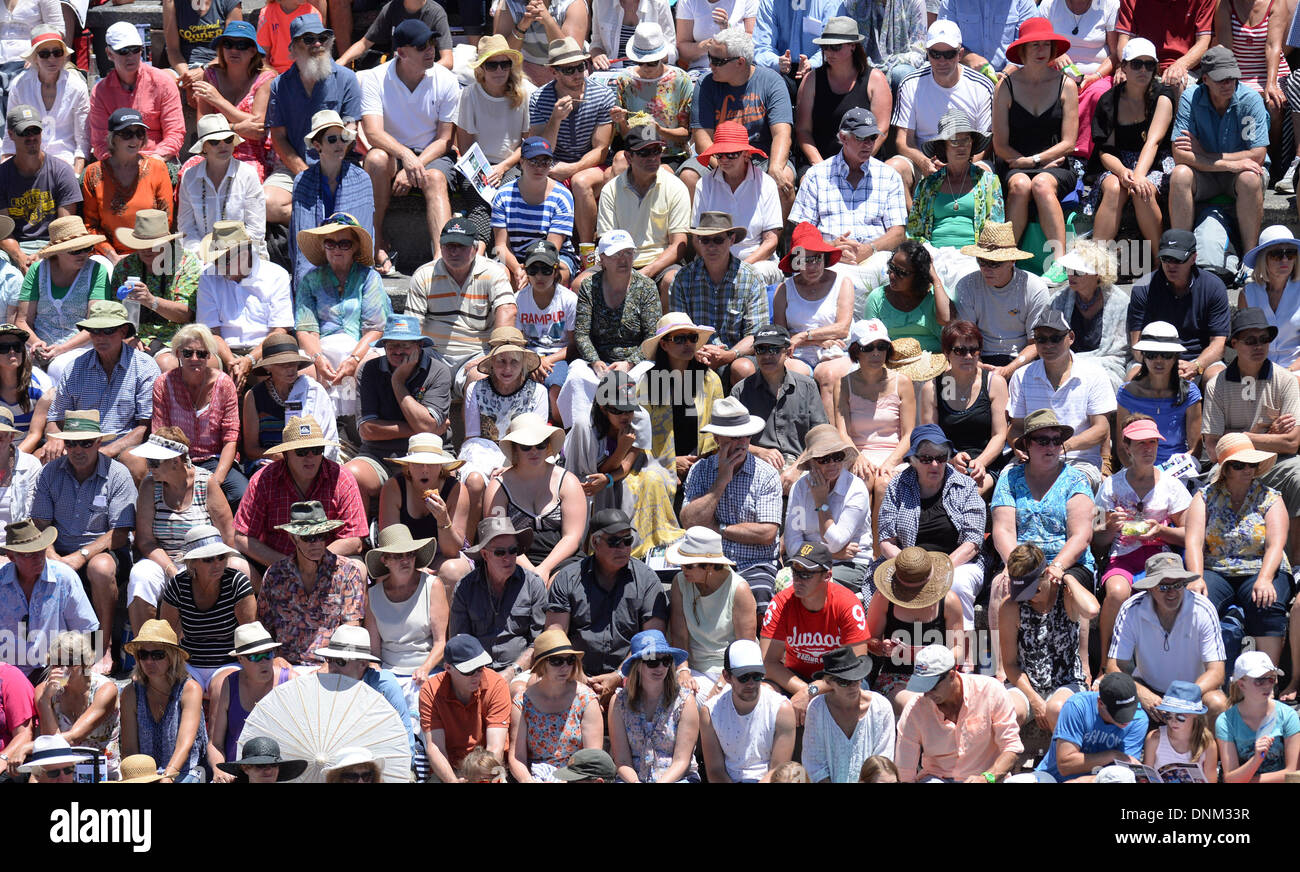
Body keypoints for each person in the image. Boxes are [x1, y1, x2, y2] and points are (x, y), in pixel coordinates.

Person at [989, 409, 1097, 676]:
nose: (1051, 446)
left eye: (1055, 440)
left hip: (1068, 560)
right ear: (1027, 445)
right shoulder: (1010, 477)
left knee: (1070, 587)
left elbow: (1081, 535)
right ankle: (1002, 667)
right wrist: (1013, 564)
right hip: (1024, 558)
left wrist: (1058, 566)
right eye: (1042, 440)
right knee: (1000, 585)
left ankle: (1081, 664)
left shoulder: (1075, 479)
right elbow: (1002, 528)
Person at [31, 411, 134, 672]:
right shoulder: (49, 473)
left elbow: (120, 532)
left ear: (99, 442)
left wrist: (82, 555)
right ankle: (36, 649)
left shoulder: (117, 474)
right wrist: (54, 557)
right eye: (71, 443)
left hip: (104, 550)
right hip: (58, 548)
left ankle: (104, 648)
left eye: (86, 442)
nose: (78, 449)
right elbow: (40, 523)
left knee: (100, 568)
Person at [360, 20, 460, 271]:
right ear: (401, 53)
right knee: (376, 160)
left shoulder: (446, 79)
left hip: (431, 153)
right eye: (422, 46)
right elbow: (373, 132)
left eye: (432, 44)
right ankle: (376, 241)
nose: (431, 51)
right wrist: (405, 156)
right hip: (394, 152)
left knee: (435, 178)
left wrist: (415, 164)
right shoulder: (375, 78)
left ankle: (441, 259)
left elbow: (446, 139)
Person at [1184, 432, 1291, 666]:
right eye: (1239, 464)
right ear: (1226, 469)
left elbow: (1276, 543)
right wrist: (1196, 577)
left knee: (1267, 602)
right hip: (1217, 567)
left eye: (1252, 463)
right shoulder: (1205, 497)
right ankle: (1205, 674)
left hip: (1261, 566)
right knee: (1197, 603)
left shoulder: (1271, 498)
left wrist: (1264, 578)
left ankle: (1267, 676)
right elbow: (1193, 541)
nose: (1247, 469)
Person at [1201, 308, 1300, 557]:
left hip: (1277, 463)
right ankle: (1217, 556)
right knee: (1212, 479)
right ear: (1234, 343)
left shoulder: (1286, 380)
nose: (1259, 346)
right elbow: (1213, 449)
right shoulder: (1217, 385)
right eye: (1251, 340)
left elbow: (1291, 442)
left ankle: (1297, 562)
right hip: (1231, 464)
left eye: (1264, 339)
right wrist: (1265, 433)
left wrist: (1241, 437)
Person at [546, 508, 669, 697]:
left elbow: (652, 639)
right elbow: (555, 635)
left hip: (632, 674)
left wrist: (619, 675)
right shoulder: (568, 578)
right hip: (574, 673)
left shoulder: (647, 580)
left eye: (627, 541)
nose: (623, 548)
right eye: (614, 541)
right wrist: (576, 674)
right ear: (595, 542)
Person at [1095, 416, 1192, 655]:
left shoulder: (1172, 486)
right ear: (1126, 448)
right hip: (1123, 556)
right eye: (1141, 443)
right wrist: (1108, 527)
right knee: (1117, 593)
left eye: (1152, 442)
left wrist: (1162, 531)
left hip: (1162, 558)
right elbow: (1095, 539)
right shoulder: (1109, 486)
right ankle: (1107, 661)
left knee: (1166, 592)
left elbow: (1190, 534)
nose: (1148, 448)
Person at [125, 430, 239, 631]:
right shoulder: (149, 486)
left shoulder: (207, 483)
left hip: (203, 559)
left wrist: (206, 564)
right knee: (140, 576)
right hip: (163, 561)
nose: (149, 467)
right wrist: (171, 569)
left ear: (176, 461)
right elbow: (145, 541)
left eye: (154, 462)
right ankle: (147, 648)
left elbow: (228, 537)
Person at [788, 108, 906, 302]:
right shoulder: (816, 175)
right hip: (825, 259)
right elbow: (801, 234)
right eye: (862, 138)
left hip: (875, 258)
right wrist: (831, 249)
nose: (869, 144)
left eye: (872, 138)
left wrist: (869, 249)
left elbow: (898, 233)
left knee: (891, 269)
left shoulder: (889, 176)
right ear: (843, 138)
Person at [991, 17, 1079, 273]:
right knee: (1020, 184)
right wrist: (1024, 162)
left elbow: (1068, 143)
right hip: (1014, 161)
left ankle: (1060, 261)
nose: (1041, 51)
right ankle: (1007, 259)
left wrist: (1035, 161)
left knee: (1040, 183)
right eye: (1034, 45)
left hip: (1055, 164)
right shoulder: (1005, 86)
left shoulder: (1067, 84)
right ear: (1023, 50)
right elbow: (1000, 145)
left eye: (1045, 45)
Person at [876, 426, 985, 629]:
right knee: (883, 588)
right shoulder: (897, 485)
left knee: (957, 585)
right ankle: (884, 649)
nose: (935, 464)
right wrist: (912, 568)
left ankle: (965, 654)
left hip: (958, 563)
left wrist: (939, 569)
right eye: (926, 458)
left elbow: (973, 541)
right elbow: (885, 540)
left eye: (941, 457)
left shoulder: (965, 486)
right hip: (907, 563)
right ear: (914, 460)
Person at [561, 369, 682, 553]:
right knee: (592, 492)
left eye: (629, 409)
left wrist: (611, 472)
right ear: (603, 407)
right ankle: (583, 550)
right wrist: (621, 449)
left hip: (621, 471)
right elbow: (592, 474)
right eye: (617, 410)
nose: (625, 416)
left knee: (650, 479)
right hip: (583, 471)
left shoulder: (640, 419)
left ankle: (645, 547)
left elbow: (625, 467)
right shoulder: (584, 425)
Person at [681, 396, 783, 612]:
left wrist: (719, 529)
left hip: (754, 563)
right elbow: (689, 522)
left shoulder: (766, 475)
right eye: (733, 437)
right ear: (717, 438)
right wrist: (721, 482)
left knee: (761, 593)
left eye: (745, 436)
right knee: (682, 593)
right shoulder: (700, 470)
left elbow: (767, 534)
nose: (741, 443)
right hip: (707, 560)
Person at [1170, 45, 1269, 263]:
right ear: (1205, 79)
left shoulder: (1250, 99)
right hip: (1205, 175)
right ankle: (1180, 254)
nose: (1228, 84)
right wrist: (1230, 163)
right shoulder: (1190, 98)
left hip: (1236, 175)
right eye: (1221, 79)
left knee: (1250, 178)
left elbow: (1257, 155)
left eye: (1232, 77)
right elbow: (1179, 154)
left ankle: (1249, 259)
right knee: (1179, 175)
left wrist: (1205, 154)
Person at [263, 14, 363, 227]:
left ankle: (319, 227)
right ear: (293, 48)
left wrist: (327, 170)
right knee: (267, 204)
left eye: (323, 37)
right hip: (294, 166)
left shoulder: (347, 78)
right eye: (308, 39)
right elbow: (278, 138)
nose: (318, 43)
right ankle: (322, 226)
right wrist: (306, 174)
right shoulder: (279, 85)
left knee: (350, 203)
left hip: (339, 163)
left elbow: (350, 132)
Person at [234, 417, 368, 575]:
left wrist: (313, 561)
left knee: (359, 568)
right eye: (302, 451)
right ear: (286, 454)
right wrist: (288, 564)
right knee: (236, 566)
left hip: (327, 565)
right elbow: (242, 537)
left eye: (317, 450)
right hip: (276, 565)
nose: (310, 457)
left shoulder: (342, 479)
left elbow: (354, 540)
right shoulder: (263, 480)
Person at [44, 300, 160, 481]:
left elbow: (144, 428)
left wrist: (105, 451)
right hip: (78, 445)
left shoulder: (145, 367)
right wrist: (56, 439)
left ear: (123, 331)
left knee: (135, 461)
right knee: (40, 458)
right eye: (95, 331)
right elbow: (54, 418)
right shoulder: (75, 367)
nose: (100, 337)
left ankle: (137, 509)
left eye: (107, 330)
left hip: (121, 448)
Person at [1106, 552, 1229, 720]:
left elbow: (1217, 672)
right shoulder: (1131, 609)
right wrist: (1142, 693)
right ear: (1150, 588)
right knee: (1114, 699)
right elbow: (1114, 668)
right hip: (1148, 690)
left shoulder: (1203, 608)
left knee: (1218, 702)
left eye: (1178, 585)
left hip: (1194, 691)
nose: (1172, 593)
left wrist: (1186, 696)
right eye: (1163, 587)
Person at [404, 216, 517, 400]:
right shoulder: (424, 275)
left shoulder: (493, 272)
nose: (454, 251)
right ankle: (428, 427)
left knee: (480, 382)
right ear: (440, 247)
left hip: (478, 354)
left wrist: (493, 355)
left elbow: (508, 311)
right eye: (449, 245)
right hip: (434, 354)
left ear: (475, 248)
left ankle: (476, 430)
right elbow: (412, 328)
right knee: (410, 377)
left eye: (461, 246)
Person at [684, 27, 794, 210]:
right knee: (689, 176)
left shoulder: (771, 81)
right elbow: (702, 137)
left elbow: (782, 133)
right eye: (710, 58)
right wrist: (725, 165)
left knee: (785, 179)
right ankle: (697, 238)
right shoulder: (705, 83)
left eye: (717, 61)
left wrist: (775, 167)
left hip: (761, 156)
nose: (710, 65)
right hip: (718, 156)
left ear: (740, 62)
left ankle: (776, 238)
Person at [294, 212, 391, 418]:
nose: (336, 249)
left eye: (344, 243)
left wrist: (354, 359)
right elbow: (305, 329)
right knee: (300, 372)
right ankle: (310, 434)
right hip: (322, 349)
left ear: (355, 246)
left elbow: (374, 330)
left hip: (360, 348)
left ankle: (364, 429)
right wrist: (318, 358)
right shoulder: (310, 279)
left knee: (371, 369)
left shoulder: (369, 277)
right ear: (323, 245)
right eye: (330, 243)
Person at [759, 542, 869, 723]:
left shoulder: (847, 604)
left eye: (806, 574)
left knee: (851, 691)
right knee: (763, 693)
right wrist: (806, 690)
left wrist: (813, 691)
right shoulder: (781, 603)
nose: (798, 580)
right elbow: (768, 662)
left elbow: (857, 666)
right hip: (795, 677)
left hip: (841, 678)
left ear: (827, 576)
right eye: (795, 572)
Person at [350, 314, 452, 508]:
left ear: (419, 346)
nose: (398, 351)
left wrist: (397, 382)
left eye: (405, 345)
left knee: (453, 480)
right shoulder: (369, 370)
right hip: (380, 455)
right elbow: (367, 430)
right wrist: (426, 430)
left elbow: (426, 425)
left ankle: (450, 536)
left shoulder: (438, 371)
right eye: (392, 345)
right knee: (351, 475)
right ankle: (359, 537)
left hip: (429, 454)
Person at [887, 21, 996, 200]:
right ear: (927, 54)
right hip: (924, 162)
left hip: (969, 161)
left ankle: (981, 227)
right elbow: (903, 141)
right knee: (893, 169)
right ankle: (911, 226)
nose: (942, 61)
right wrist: (925, 163)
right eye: (935, 54)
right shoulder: (910, 84)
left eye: (949, 54)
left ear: (960, 54)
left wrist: (960, 165)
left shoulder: (981, 86)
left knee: (985, 173)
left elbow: (987, 143)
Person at [1007, 308, 1117, 483]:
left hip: (1080, 461)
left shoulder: (1094, 374)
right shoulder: (1021, 376)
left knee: (1067, 488)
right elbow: (1017, 427)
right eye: (1041, 339)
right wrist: (1017, 446)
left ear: (1071, 337)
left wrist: (1060, 447)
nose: (1048, 345)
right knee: (1005, 488)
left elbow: (1101, 429)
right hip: (1033, 460)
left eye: (1055, 338)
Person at [1087, 38, 1176, 253]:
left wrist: (1137, 176)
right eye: (1136, 64)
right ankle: (1095, 260)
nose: (1143, 70)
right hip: (1117, 161)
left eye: (1149, 64)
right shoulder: (1109, 100)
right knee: (1113, 187)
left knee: (1141, 190)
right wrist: (1121, 171)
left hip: (1154, 161)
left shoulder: (1163, 95)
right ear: (1124, 66)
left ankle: (1158, 258)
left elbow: (1153, 141)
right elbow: (1105, 151)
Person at [998, 543, 1098, 734]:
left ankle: (1061, 761)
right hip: (1027, 684)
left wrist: (1067, 576)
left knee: (1058, 709)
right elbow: (1010, 664)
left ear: (1046, 574)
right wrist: (1034, 699)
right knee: (1007, 712)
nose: (1030, 599)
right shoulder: (1011, 606)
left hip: (1067, 681)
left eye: (1034, 591)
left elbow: (1092, 610)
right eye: (1023, 593)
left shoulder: (1065, 595)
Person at [527, 37, 615, 245]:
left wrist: (573, 168)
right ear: (554, 72)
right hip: (554, 162)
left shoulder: (602, 95)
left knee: (580, 182)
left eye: (581, 67)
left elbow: (601, 149)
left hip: (591, 164)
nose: (577, 74)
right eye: (569, 70)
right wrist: (555, 120)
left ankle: (585, 250)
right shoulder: (540, 98)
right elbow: (541, 149)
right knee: (534, 179)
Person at [257, 501, 365, 667]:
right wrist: (275, 658)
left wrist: (333, 665)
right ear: (293, 538)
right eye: (308, 538)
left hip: (334, 666)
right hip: (286, 667)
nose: (316, 543)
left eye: (321, 536)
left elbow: (352, 629)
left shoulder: (347, 572)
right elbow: (264, 628)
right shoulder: (275, 575)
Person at [895, 644, 1023, 782]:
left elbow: (1011, 747)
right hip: (937, 778)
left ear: (951, 675)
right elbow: (904, 771)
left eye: (932, 687)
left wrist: (987, 777)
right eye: (922, 687)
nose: (926, 694)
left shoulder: (991, 691)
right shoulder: (915, 708)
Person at [833, 320, 914, 538]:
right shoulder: (843, 384)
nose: (876, 353)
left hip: (893, 455)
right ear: (855, 351)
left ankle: (879, 555)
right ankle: (859, 549)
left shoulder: (903, 382)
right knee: (863, 480)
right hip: (857, 453)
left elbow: (908, 435)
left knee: (884, 485)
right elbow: (842, 432)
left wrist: (890, 462)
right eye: (868, 348)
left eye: (882, 346)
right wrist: (857, 457)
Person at [903, 111, 1002, 289]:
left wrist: (979, 254)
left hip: (974, 255)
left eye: (966, 140)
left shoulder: (988, 182)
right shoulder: (928, 185)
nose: (961, 146)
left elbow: (996, 227)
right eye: (954, 141)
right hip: (933, 254)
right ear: (943, 147)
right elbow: (914, 232)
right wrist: (928, 255)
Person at [594, 123, 690, 300]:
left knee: (673, 279)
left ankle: (667, 328)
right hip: (619, 262)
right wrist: (623, 272)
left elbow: (678, 245)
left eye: (656, 150)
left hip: (660, 264)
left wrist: (646, 272)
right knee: (579, 284)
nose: (653, 157)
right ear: (629, 157)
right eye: (644, 152)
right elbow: (606, 242)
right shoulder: (611, 190)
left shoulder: (676, 187)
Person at [455, 36, 535, 248]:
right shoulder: (469, 94)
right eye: (492, 65)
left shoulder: (524, 92)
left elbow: (527, 143)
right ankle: (478, 255)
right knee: (479, 204)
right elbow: (465, 147)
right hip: (477, 165)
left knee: (506, 196)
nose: (499, 70)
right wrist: (484, 172)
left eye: (504, 64)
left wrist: (502, 168)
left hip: (512, 164)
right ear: (481, 68)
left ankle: (503, 252)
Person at [151, 325, 244, 507]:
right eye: (187, 353)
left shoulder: (224, 384)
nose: (195, 359)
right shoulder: (163, 383)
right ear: (177, 354)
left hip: (215, 459)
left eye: (201, 354)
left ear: (209, 356)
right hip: (176, 459)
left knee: (242, 494)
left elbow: (231, 438)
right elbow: (159, 434)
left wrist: (216, 481)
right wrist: (176, 471)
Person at [487, 412, 586, 581]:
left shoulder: (567, 481)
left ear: (548, 446)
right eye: (526, 446)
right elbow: (498, 536)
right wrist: (532, 572)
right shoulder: (499, 486)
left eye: (540, 444)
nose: (534, 451)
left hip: (562, 558)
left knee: (560, 586)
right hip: (512, 559)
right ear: (515, 448)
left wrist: (544, 569)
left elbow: (572, 537)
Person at [195, 221, 293, 392]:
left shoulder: (276, 275)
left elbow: (280, 331)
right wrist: (231, 361)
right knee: (200, 366)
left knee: (277, 367)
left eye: (225, 260)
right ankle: (203, 418)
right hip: (223, 350)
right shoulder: (208, 276)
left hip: (264, 350)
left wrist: (250, 359)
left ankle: (273, 417)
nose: (219, 266)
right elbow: (211, 331)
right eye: (216, 260)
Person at [364, 524, 449, 720]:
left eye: (409, 554)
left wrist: (425, 668)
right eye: (397, 555)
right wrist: (379, 674)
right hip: (388, 674)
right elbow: (374, 653)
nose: (405, 560)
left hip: (427, 671)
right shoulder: (373, 596)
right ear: (385, 560)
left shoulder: (432, 586)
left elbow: (440, 643)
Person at [918, 320, 1010, 497]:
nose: (968, 356)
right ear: (947, 353)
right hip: (945, 460)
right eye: (960, 351)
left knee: (966, 494)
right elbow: (931, 435)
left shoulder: (994, 383)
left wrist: (980, 463)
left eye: (974, 350)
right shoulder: (934, 387)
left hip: (987, 461)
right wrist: (951, 457)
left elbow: (999, 435)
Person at [13, 216, 109, 385]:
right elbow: (21, 321)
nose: (83, 254)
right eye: (75, 250)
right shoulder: (37, 270)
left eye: (87, 248)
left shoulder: (97, 270)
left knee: (65, 369)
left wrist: (61, 349)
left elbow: (96, 323)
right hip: (38, 347)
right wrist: (36, 343)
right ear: (57, 251)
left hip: (81, 346)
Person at [1126, 229, 1230, 387]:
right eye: (1166, 258)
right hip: (1154, 358)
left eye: (1178, 259)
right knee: (1132, 382)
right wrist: (1163, 366)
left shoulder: (1213, 287)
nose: (1171, 265)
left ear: (1193, 258)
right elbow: (1137, 345)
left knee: (1216, 379)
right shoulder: (1143, 288)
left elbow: (1218, 343)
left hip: (1200, 359)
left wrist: (1196, 366)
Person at [732, 324, 829, 493]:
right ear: (755, 353)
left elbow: (820, 436)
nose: (768, 355)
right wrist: (759, 451)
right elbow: (729, 440)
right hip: (756, 466)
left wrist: (797, 468)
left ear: (788, 352)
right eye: (761, 349)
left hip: (802, 464)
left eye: (775, 349)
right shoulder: (740, 391)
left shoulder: (807, 387)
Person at [448, 516, 548, 679]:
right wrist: (478, 674)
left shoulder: (533, 585)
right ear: (485, 555)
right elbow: (460, 642)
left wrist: (512, 672)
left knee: (519, 691)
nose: (507, 557)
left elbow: (539, 643)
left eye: (513, 550)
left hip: (521, 673)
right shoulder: (465, 588)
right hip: (476, 672)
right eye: (500, 552)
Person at [158, 525, 255, 691]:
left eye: (221, 557)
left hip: (228, 664)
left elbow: (250, 633)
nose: (217, 563)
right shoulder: (178, 585)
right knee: (182, 689)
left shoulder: (237, 583)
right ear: (192, 563)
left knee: (221, 689)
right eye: (208, 559)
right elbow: (165, 634)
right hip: (189, 665)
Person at [0, 519, 98, 681]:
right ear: (11, 557)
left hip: (56, 669)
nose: (38, 558)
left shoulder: (64, 577)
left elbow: (85, 630)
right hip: (9, 672)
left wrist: (79, 672)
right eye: (29, 554)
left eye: (41, 551)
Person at [952, 221, 1050, 382]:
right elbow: (966, 338)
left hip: (1022, 359)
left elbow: (1035, 342)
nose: (986, 269)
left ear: (1012, 262)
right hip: (978, 356)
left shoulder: (1034, 287)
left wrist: (1009, 369)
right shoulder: (966, 286)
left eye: (994, 263)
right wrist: (981, 368)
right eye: (981, 262)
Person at [666, 527, 757, 697]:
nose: (682, 569)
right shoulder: (680, 582)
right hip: (692, 667)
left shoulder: (739, 590)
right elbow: (679, 635)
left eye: (689, 565)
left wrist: (723, 683)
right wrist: (682, 669)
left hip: (731, 672)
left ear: (709, 566)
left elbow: (745, 648)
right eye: (682, 564)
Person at [287, 110, 374, 287]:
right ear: (318, 146)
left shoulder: (361, 179)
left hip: (351, 263)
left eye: (343, 137)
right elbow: (301, 239)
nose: (340, 143)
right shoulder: (302, 181)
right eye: (332, 139)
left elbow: (363, 235)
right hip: (314, 265)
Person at [688, 124, 782, 286]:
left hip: (757, 261)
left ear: (746, 155)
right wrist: (719, 266)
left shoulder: (766, 184)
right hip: (712, 259)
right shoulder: (704, 184)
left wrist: (741, 267)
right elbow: (697, 238)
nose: (724, 160)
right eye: (720, 154)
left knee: (754, 275)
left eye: (731, 154)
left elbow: (771, 241)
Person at [507, 626, 602, 783]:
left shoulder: (586, 700)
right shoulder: (523, 703)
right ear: (542, 665)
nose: (565, 667)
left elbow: (592, 758)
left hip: (577, 778)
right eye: (557, 661)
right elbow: (517, 757)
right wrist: (528, 781)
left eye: (570, 660)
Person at [316, 624, 419, 767]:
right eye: (330, 659)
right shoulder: (322, 686)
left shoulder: (384, 686)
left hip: (379, 765)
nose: (333, 668)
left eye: (340, 661)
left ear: (363, 664)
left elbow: (404, 742)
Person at [784, 425, 872, 592]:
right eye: (824, 459)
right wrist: (833, 554)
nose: (832, 464)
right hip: (807, 564)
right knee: (785, 586)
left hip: (850, 564)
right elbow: (792, 545)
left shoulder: (856, 489)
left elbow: (836, 541)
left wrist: (821, 501)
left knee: (817, 588)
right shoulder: (799, 489)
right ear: (811, 462)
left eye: (837, 457)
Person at [109, 210, 201, 368]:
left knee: (165, 363)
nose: (146, 250)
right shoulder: (125, 266)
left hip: (175, 337)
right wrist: (126, 337)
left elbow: (186, 314)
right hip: (133, 337)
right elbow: (113, 312)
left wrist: (151, 301)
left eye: (152, 245)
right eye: (141, 245)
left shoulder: (186, 262)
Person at [794, 18, 891, 169]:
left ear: (853, 46)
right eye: (825, 47)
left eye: (835, 47)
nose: (828, 52)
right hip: (821, 162)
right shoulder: (811, 80)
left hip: (865, 162)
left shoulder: (875, 79)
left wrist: (858, 162)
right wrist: (820, 166)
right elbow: (803, 130)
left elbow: (882, 128)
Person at [639, 312, 723, 484]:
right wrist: (672, 462)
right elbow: (640, 433)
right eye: (679, 339)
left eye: (692, 338)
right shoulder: (650, 381)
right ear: (663, 345)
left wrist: (700, 461)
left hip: (704, 462)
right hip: (657, 465)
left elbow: (720, 427)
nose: (688, 344)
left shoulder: (709, 379)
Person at [773, 222, 854, 398]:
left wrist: (803, 336)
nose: (811, 266)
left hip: (834, 350)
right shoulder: (784, 289)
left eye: (816, 258)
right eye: (804, 260)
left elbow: (843, 328)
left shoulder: (842, 282)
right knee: (791, 375)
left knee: (829, 375)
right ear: (795, 262)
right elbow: (781, 336)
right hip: (797, 353)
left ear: (824, 257)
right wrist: (815, 341)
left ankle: (831, 426)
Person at [119, 620, 207, 782]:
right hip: (144, 776)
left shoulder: (190, 690)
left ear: (172, 657)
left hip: (185, 770)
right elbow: (129, 749)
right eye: (143, 655)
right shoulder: (130, 693)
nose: (149, 661)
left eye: (157, 655)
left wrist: (168, 776)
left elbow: (184, 744)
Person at [82, 108, 174, 262]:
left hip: (152, 251)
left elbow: (166, 220)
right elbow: (91, 226)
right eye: (127, 134)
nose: (135, 140)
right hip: (108, 255)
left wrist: (143, 254)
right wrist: (113, 257)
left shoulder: (157, 168)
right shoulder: (93, 173)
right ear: (113, 138)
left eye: (139, 133)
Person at [697, 638, 794, 782]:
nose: (751, 683)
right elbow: (715, 771)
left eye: (757, 675)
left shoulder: (782, 709)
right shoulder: (710, 713)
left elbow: (777, 772)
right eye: (743, 677)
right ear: (726, 676)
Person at [608, 629, 699, 782]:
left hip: (676, 779)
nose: (660, 668)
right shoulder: (619, 702)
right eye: (652, 661)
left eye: (666, 661)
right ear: (637, 665)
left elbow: (681, 761)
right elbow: (622, 761)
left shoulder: (685, 701)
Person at [239, 334, 340, 471]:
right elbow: (251, 449)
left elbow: (327, 437)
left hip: (310, 461)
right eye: (283, 365)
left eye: (293, 363)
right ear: (268, 367)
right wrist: (278, 456)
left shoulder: (313, 391)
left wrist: (300, 460)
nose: (291, 369)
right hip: (269, 463)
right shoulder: (254, 396)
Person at [87, 22, 184, 164]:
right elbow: (100, 142)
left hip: (160, 159)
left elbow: (175, 133)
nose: (131, 56)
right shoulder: (100, 91)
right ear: (109, 53)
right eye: (123, 51)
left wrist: (154, 161)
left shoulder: (163, 82)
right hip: (119, 164)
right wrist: (120, 165)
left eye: (136, 49)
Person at [419, 634, 511, 783]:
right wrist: (453, 781)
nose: (476, 675)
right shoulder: (430, 690)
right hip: (449, 768)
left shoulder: (497, 685)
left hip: (487, 768)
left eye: (480, 668)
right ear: (448, 668)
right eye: (468, 671)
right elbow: (435, 748)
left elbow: (495, 747)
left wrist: (482, 780)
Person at [194, 21, 278, 183]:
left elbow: (258, 128)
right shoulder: (210, 75)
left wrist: (218, 101)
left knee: (246, 176)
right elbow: (202, 125)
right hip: (213, 149)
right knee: (188, 172)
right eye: (228, 44)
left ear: (253, 51)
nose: (233, 50)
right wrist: (239, 128)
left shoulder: (266, 79)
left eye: (242, 45)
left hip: (250, 152)